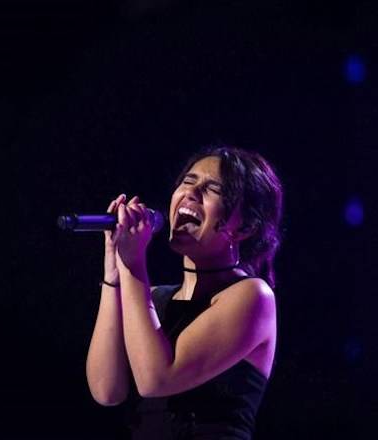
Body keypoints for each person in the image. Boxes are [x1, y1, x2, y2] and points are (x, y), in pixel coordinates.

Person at [86, 144, 283, 439]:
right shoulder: (151, 298)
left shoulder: (253, 297)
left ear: (245, 227)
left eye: (213, 189)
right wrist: (115, 270)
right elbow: (106, 389)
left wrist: (135, 265)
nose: (191, 193)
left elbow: (156, 379)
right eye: (188, 182)